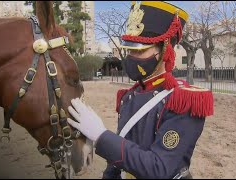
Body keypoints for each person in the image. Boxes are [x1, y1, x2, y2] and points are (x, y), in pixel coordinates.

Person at [67, 1, 214, 179]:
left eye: (140, 51)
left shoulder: (182, 100)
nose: (131, 58)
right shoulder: (129, 96)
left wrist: (101, 136)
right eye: (129, 50)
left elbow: (159, 169)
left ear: (164, 49)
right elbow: (119, 160)